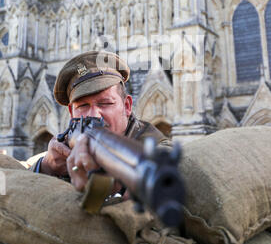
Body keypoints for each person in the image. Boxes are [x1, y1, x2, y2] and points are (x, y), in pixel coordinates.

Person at [29, 50, 170, 195]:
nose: (94, 115)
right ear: (71, 113)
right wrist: (45, 167)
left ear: (127, 106)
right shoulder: (65, 148)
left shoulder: (153, 149)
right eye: (83, 106)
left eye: (105, 103)